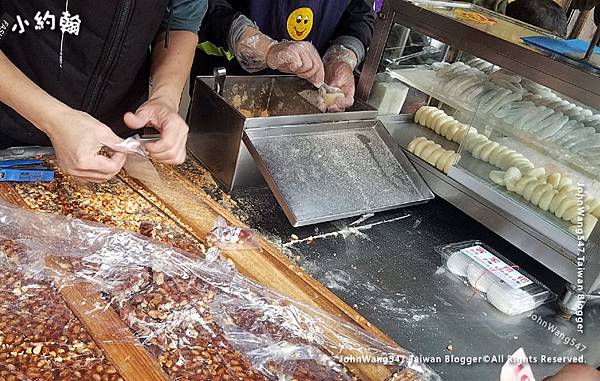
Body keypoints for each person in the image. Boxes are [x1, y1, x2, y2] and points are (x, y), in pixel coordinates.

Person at [0, 0, 207, 183]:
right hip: (10, 127)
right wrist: (55, 119)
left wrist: (165, 98)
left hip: (114, 142)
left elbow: (181, 22)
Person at [191, 0, 375, 112]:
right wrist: (263, 47)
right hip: (227, 88)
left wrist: (342, 57)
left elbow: (360, 13)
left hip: (309, 96)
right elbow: (198, 6)